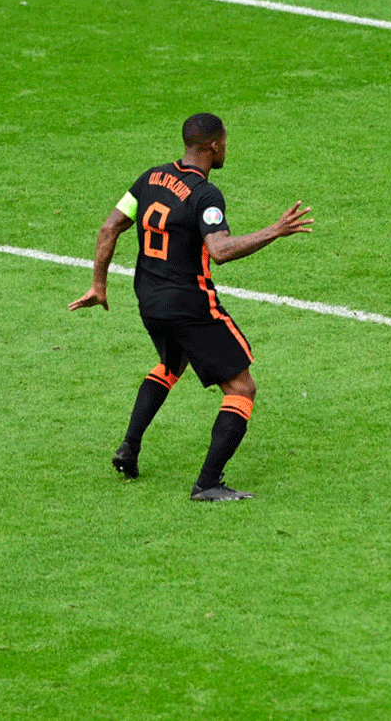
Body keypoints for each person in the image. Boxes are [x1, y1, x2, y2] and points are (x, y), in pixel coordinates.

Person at [69, 113, 313, 501]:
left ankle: (129, 449)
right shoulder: (205, 195)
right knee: (241, 387)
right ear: (213, 145)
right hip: (188, 304)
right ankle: (208, 483)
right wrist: (276, 230)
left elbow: (109, 226)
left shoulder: (149, 178)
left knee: (171, 365)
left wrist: (99, 284)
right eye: (225, 142)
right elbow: (219, 251)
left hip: (148, 301)